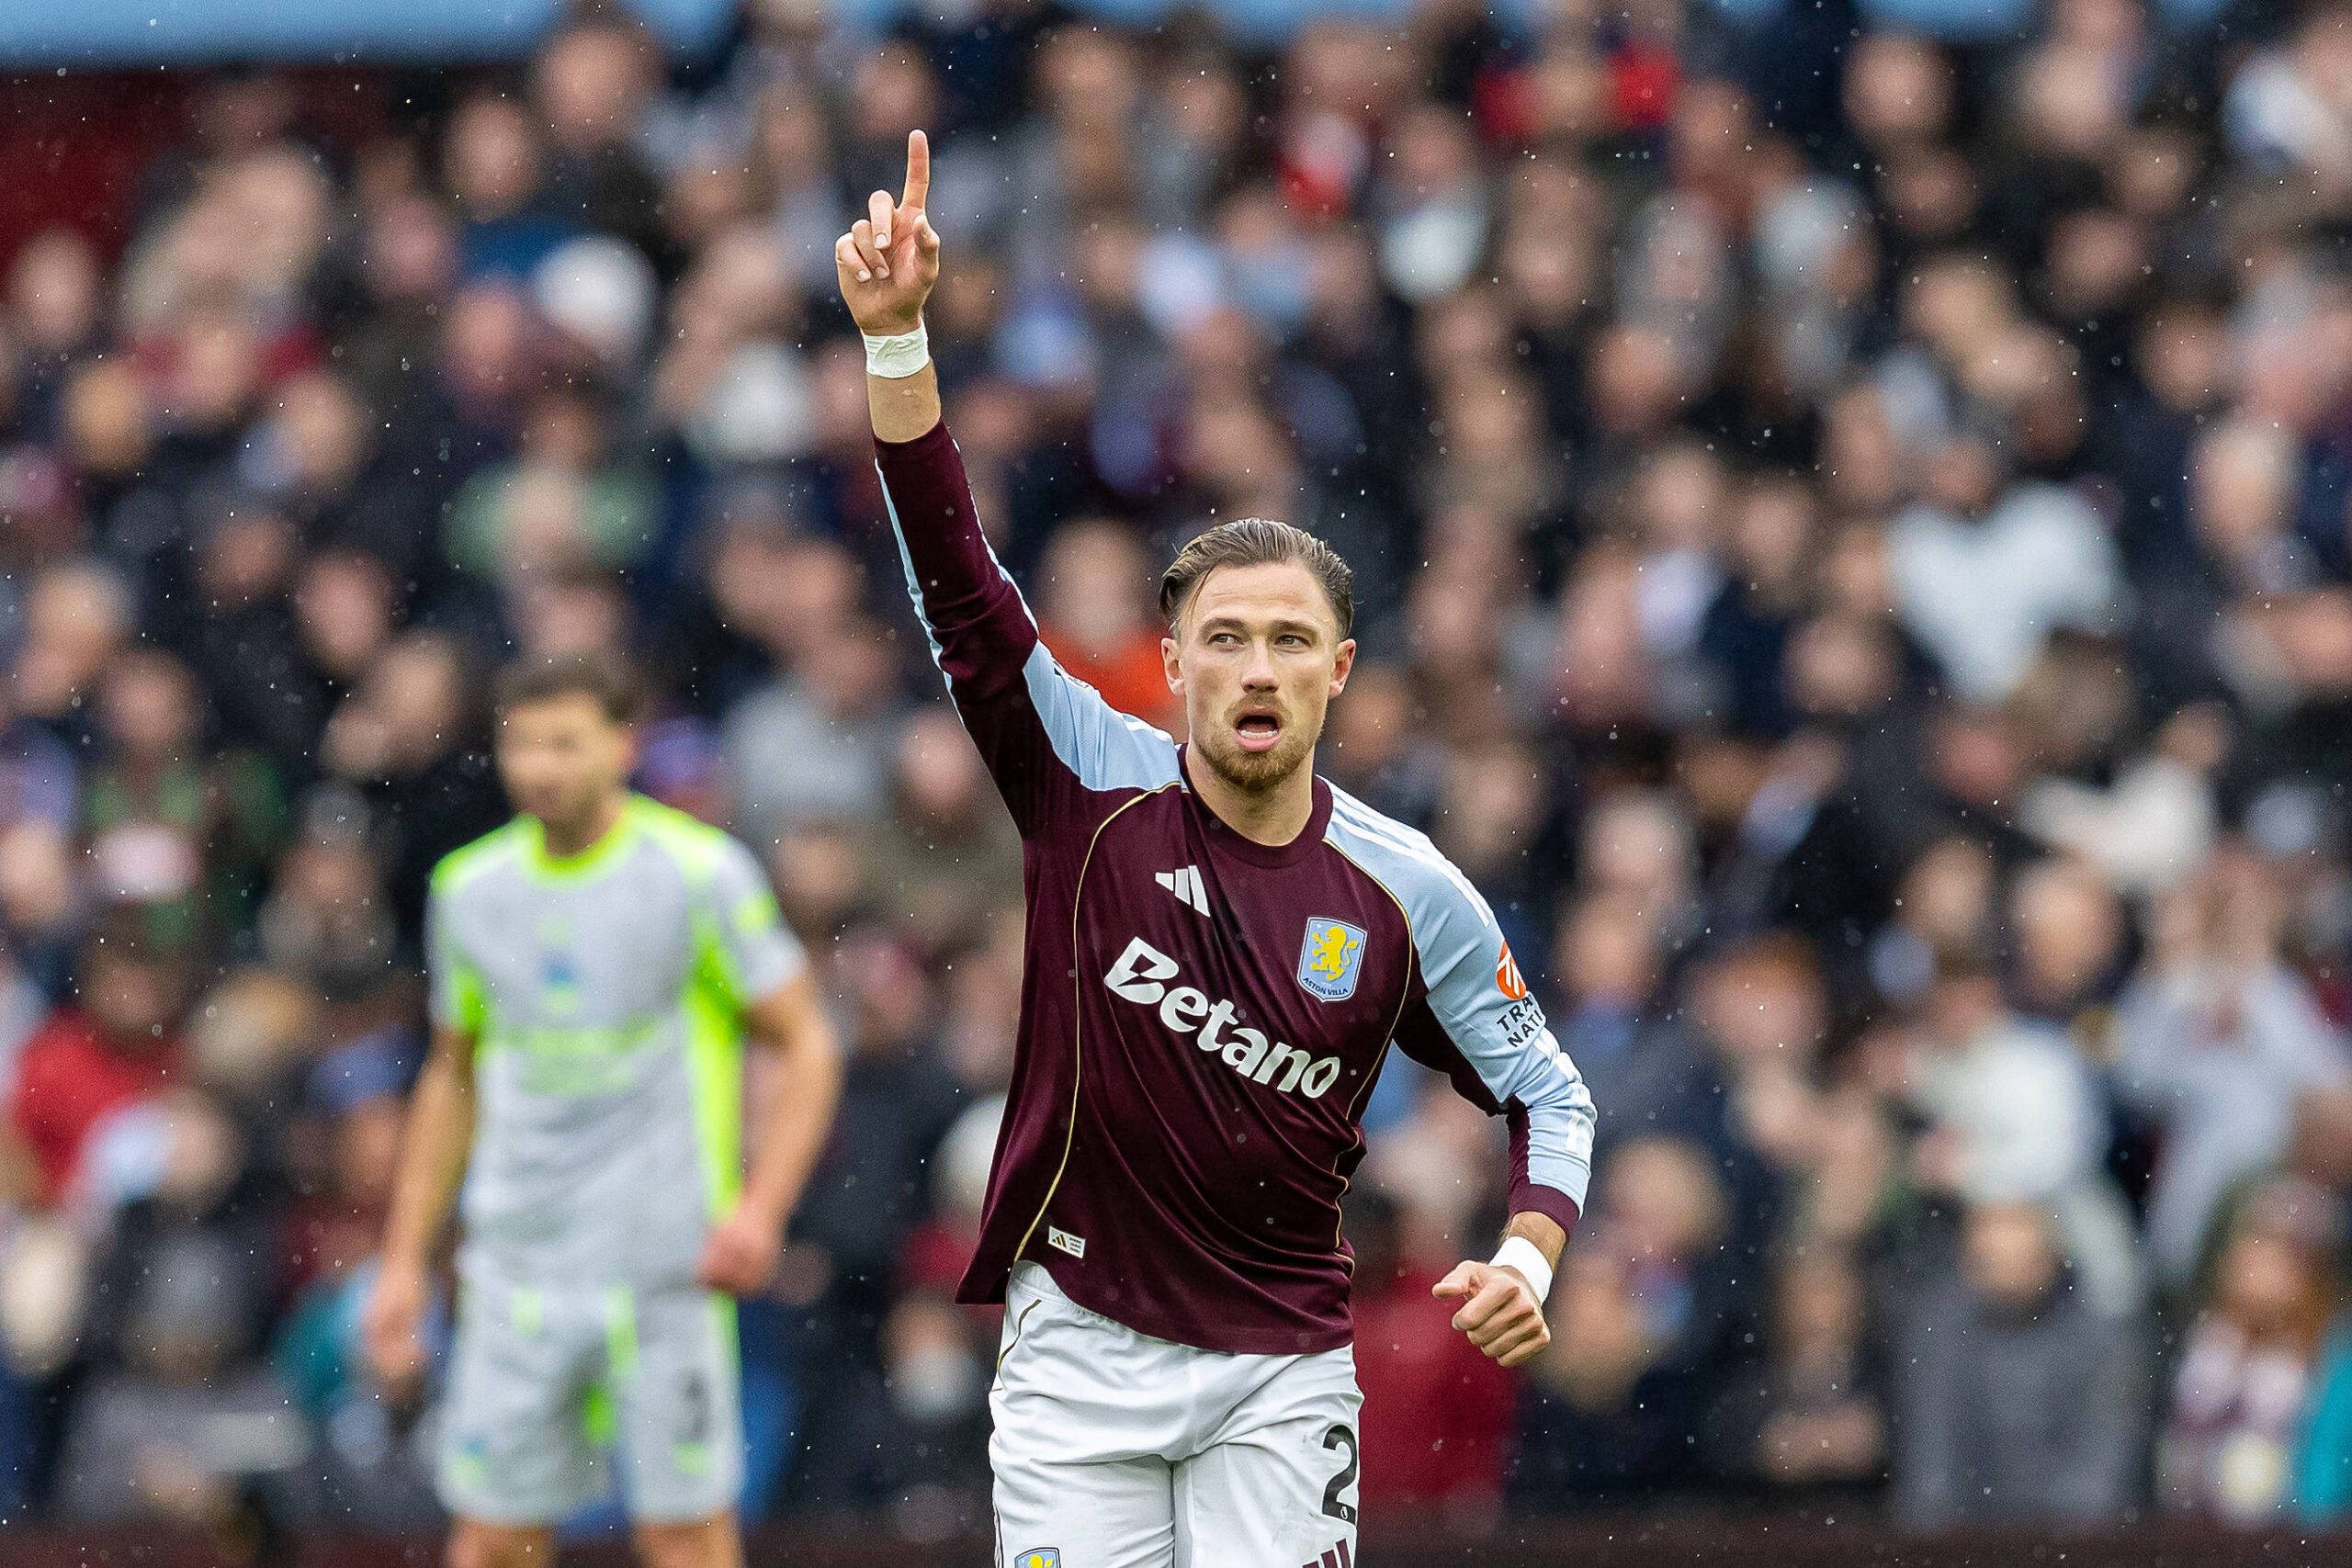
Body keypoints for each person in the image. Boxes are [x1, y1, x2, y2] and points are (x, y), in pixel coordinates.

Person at [834, 132, 1595, 1566]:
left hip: (1279, 1371)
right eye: (1227, 639)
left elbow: (1549, 1091)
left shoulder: (1401, 883)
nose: (1258, 668)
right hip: (1076, 1358)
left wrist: (1531, 1244)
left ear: (1342, 671)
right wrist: (898, 344)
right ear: (1171, 662)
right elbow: (957, 579)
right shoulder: (1083, 776)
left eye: (1291, 641)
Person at [359, 650, 842, 1568]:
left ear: (622, 745)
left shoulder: (699, 874)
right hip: (516, 1267)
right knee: (495, 1538)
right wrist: (402, 1263)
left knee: (685, 1535)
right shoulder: (469, 891)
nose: (539, 767)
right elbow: (447, 1077)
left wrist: (762, 1209)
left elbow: (807, 1041)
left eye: (565, 744)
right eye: (522, 745)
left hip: (664, 1264)